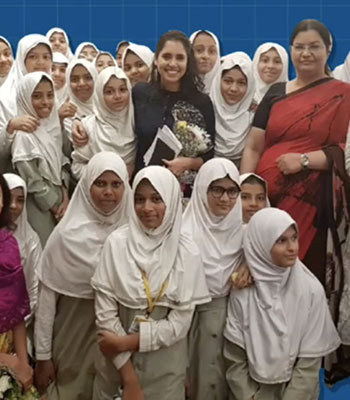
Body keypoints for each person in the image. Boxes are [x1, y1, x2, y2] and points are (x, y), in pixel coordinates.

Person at [240, 19, 350, 288]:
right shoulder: (276, 93)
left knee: (299, 276)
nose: (306, 53)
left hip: (310, 204)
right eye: (299, 47)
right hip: (267, 199)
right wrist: (246, 189)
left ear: (328, 48)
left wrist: (303, 161)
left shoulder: (342, 94)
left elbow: (340, 152)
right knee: (257, 269)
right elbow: (254, 145)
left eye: (314, 46)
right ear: (291, 50)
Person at [91, 166, 210, 400]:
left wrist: (127, 342)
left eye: (157, 199)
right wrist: (129, 378)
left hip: (165, 373)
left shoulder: (187, 252)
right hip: (116, 370)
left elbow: (180, 324)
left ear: (173, 201)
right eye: (139, 199)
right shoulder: (116, 244)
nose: (147, 208)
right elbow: (105, 318)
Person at [72, 31, 215, 201]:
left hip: (184, 192)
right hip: (142, 189)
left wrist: (188, 163)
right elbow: (109, 112)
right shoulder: (139, 93)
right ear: (156, 59)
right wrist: (78, 121)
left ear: (188, 62)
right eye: (167, 56)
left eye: (179, 58)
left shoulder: (202, 102)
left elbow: (209, 155)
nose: (172, 63)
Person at [34, 152, 131, 400]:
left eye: (116, 184)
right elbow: (46, 304)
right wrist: (43, 357)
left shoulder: (133, 235)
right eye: (100, 183)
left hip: (117, 337)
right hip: (72, 334)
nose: (108, 192)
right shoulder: (64, 236)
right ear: (87, 186)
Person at [224, 208, 341, 400]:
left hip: (298, 393)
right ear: (261, 244)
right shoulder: (244, 293)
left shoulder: (310, 290)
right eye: (281, 240)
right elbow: (234, 358)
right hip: (252, 392)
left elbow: (309, 363)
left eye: (294, 238)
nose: (292, 248)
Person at [182, 158, 243, 400]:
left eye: (232, 191)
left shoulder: (243, 230)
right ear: (201, 189)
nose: (225, 199)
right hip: (188, 318)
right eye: (216, 189)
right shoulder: (184, 235)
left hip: (229, 319)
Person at [11, 72, 69, 246]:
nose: (46, 102)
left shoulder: (52, 128)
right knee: (42, 251)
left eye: (50, 95)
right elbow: (33, 181)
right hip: (39, 208)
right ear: (25, 98)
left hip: (61, 201)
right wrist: (54, 206)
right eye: (37, 96)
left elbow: (62, 162)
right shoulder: (23, 135)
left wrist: (65, 196)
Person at [0, 175, 39, 399]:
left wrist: (23, 363)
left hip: (9, 344)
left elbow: (16, 310)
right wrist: (7, 360)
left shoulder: (8, 244)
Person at [0, 34, 52, 174]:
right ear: (22, 59)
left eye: (46, 57)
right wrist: (10, 127)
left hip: (53, 175)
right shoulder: (5, 97)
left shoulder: (54, 93)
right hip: (16, 177)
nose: (41, 62)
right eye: (33, 57)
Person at [71, 67, 136, 179]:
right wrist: (104, 175)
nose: (117, 96)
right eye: (109, 92)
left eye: (122, 90)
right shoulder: (88, 126)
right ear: (99, 95)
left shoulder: (137, 122)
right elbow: (77, 167)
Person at [3, 173, 41, 327]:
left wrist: (14, 324)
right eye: (8, 198)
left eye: (20, 201)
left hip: (16, 324)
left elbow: (34, 289)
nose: (13, 205)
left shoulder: (30, 240)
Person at [210, 51, 255, 167]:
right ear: (218, 80)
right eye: (228, 81)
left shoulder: (255, 115)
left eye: (241, 83)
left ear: (249, 86)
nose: (233, 89)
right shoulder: (205, 108)